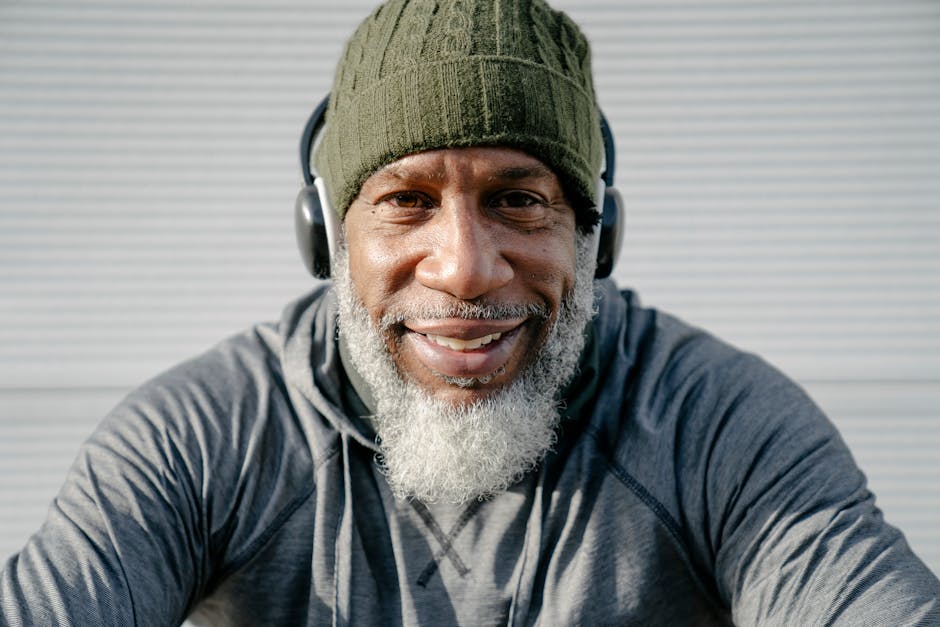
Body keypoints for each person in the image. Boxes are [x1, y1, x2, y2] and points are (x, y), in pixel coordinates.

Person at [2, 0, 939, 624]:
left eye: (518, 198)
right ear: (328, 236)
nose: (463, 268)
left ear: (594, 234)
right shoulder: (202, 435)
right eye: (406, 200)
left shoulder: (720, 425)